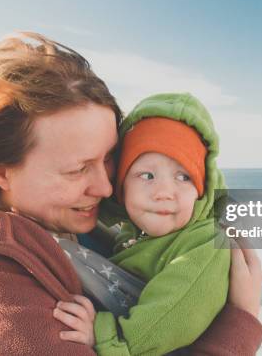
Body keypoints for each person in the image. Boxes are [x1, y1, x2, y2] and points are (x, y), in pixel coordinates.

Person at [0, 32, 262, 355]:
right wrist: (240, 323)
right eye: (77, 169)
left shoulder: (85, 224)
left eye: (109, 159)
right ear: (1, 170)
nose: (106, 187)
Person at [55, 93, 232, 355]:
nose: (164, 192)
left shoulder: (203, 245)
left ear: (201, 191)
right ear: (121, 186)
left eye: (184, 177)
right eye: (147, 175)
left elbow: (172, 315)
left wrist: (105, 335)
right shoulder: (131, 230)